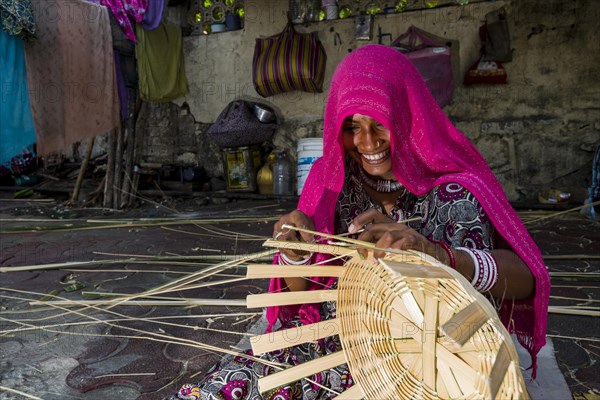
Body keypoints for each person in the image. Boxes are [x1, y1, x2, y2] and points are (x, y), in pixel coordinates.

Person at [170, 44, 550, 400]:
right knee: (231, 387)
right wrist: (295, 251)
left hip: (429, 361)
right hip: (340, 339)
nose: (367, 142)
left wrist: (439, 254)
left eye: (380, 123)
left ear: (405, 114)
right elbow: (300, 289)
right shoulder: (331, 181)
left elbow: (525, 279)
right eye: (352, 126)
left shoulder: (452, 190)